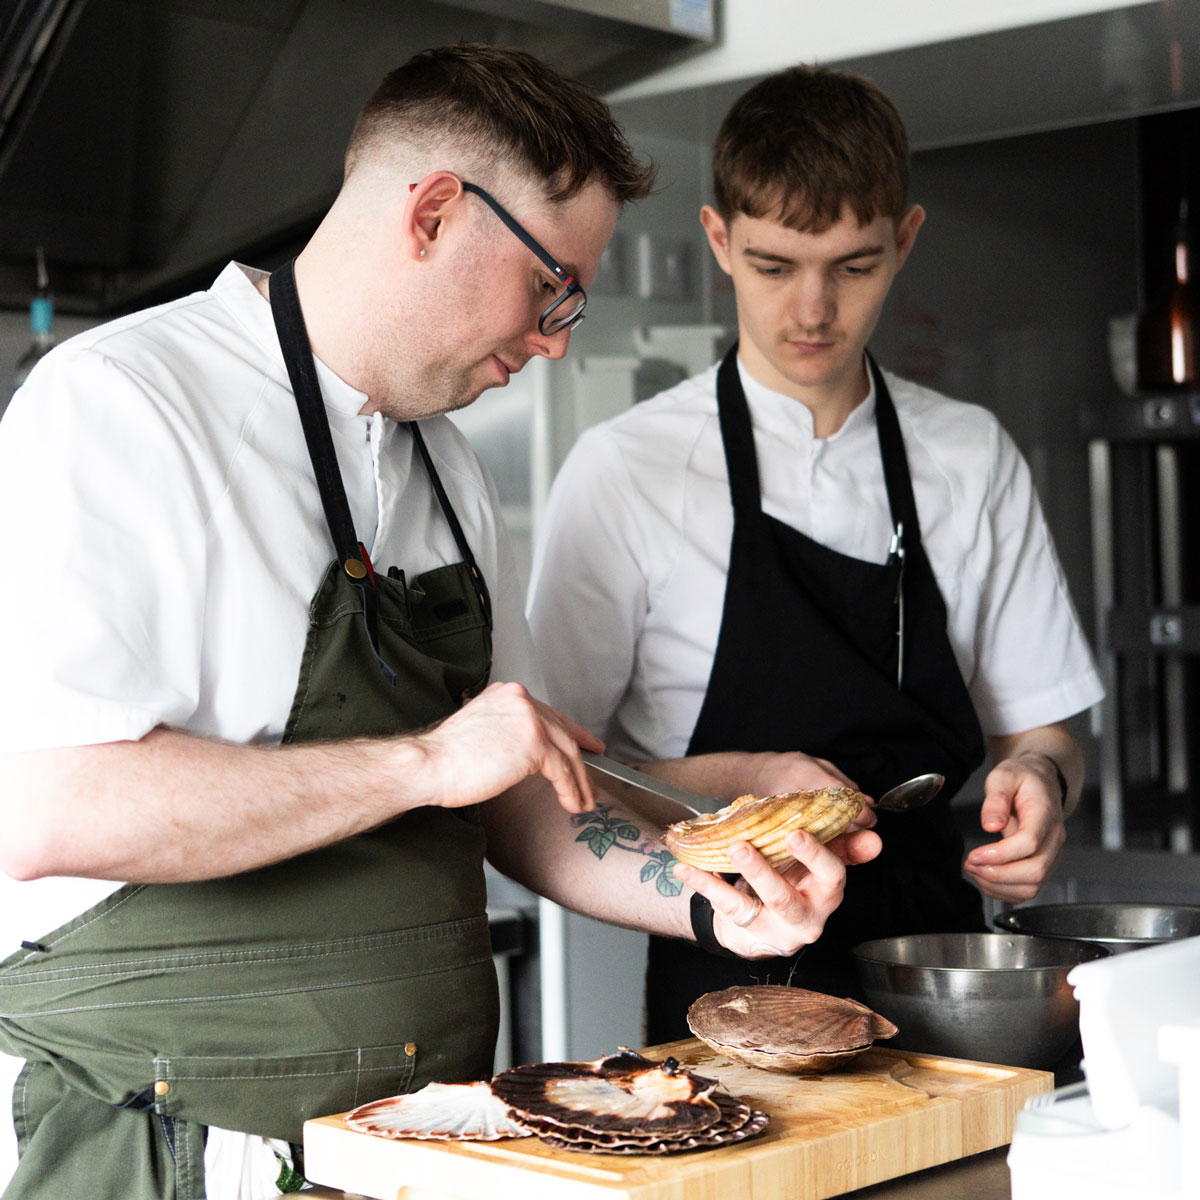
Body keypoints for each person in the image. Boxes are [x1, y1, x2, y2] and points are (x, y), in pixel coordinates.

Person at [0, 46, 883, 1200]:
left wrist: (717, 899)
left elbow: (520, 795)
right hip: (173, 1142)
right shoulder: (121, 404)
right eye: (551, 287)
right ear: (431, 214)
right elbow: (49, 806)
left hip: (426, 1146)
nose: (558, 337)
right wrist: (423, 761)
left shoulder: (448, 466)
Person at [527, 62, 1105, 1045]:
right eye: (774, 265)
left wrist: (1042, 786)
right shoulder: (626, 471)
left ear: (906, 240)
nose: (810, 311)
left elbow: (1041, 734)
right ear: (718, 239)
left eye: (853, 266)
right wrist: (742, 780)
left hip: (945, 984)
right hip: (728, 988)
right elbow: (556, 778)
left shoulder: (971, 457)